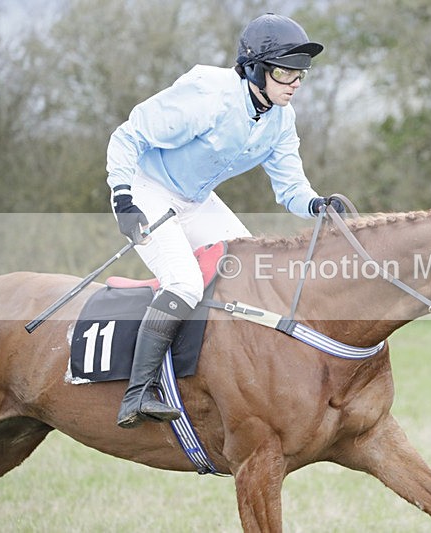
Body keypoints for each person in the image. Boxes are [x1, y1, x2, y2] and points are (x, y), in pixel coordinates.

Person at [106, 13, 344, 429]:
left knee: (253, 273)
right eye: (287, 72)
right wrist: (124, 198)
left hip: (196, 200)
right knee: (184, 282)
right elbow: (129, 136)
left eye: (300, 74)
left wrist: (318, 205)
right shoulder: (209, 97)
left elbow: (291, 188)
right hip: (147, 188)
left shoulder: (281, 120)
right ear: (255, 68)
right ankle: (138, 392)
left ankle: (234, 379)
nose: (296, 83)